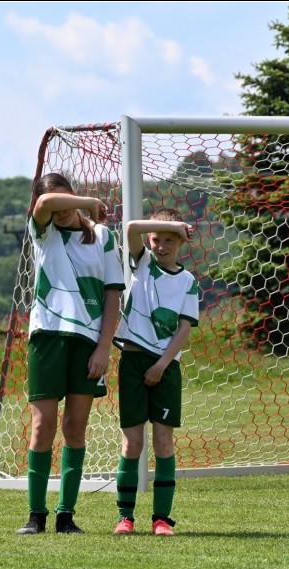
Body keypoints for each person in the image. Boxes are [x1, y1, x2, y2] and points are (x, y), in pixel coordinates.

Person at [16, 173, 124, 534]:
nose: (62, 210)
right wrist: (86, 204)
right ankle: (36, 516)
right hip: (47, 336)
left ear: (73, 195)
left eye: (68, 201)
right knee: (42, 426)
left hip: (88, 342)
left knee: (75, 427)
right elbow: (45, 205)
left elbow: (113, 295)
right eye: (58, 205)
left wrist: (103, 348)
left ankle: (66, 515)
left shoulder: (104, 238)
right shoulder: (43, 232)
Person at [111, 208, 198, 536]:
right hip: (133, 362)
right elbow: (131, 227)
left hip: (166, 366)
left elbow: (185, 328)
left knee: (163, 442)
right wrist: (169, 223)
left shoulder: (188, 282)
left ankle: (161, 519)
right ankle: (125, 517)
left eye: (168, 240)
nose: (160, 245)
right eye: (156, 239)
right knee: (132, 444)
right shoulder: (142, 263)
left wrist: (162, 364)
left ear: (180, 242)